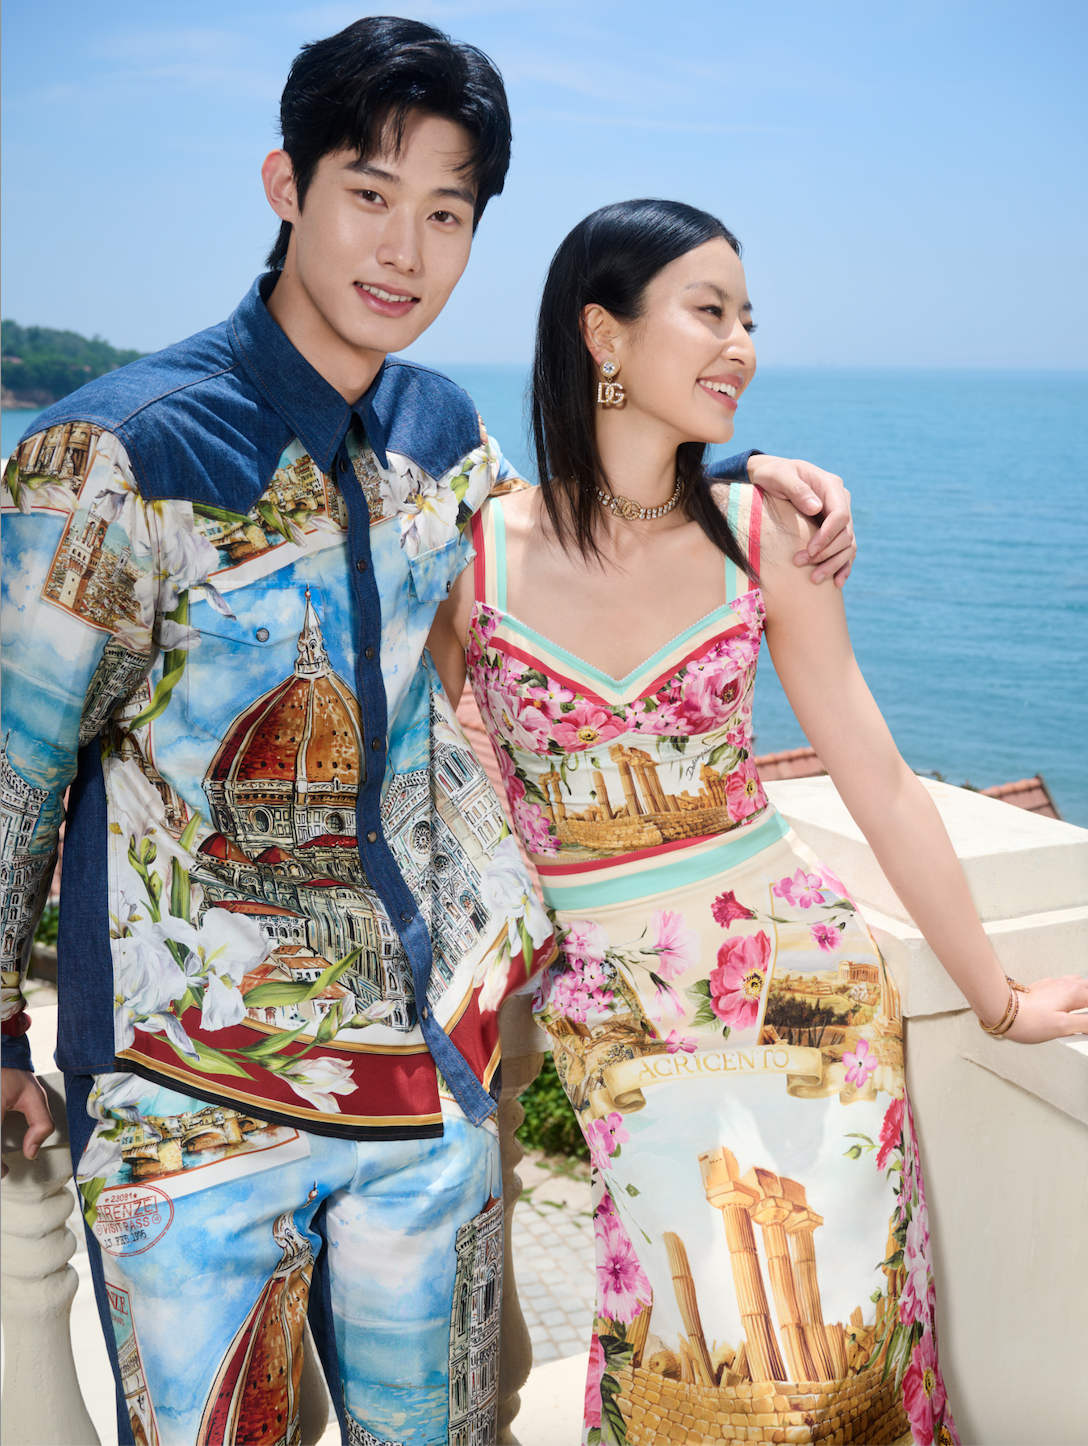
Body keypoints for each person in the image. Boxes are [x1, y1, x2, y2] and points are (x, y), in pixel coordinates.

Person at [0, 19, 860, 1446]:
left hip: (422, 1073)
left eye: (447, 213)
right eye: (369, 193)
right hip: (186, 1100)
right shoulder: (115, 455)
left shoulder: (437, 429)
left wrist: (755, 482)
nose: (404, 249)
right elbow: (15, 764)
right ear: (286, 185)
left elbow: (576, 545)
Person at [427, 198, 1088, 1446]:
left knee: (839, 1374)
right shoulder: (474, 558)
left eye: (747, 319)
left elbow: (876, 779)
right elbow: (428, 795)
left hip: (806, 992)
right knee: (688, 1366)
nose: (740, 345)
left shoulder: (761, 534)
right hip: (614, 1021)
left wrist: (994, 999)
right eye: (708, 312)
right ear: (602, 335)